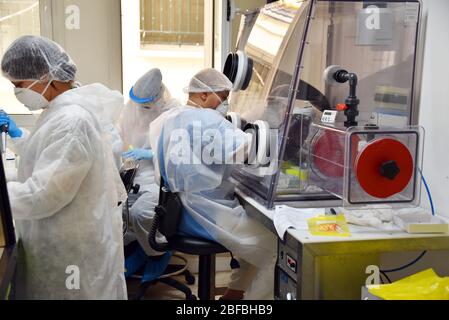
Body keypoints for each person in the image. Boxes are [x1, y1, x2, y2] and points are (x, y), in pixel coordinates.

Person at [0, 35, 127, 300]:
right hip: (69, 241)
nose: (17, 92)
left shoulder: (72, 121)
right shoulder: (62, 111)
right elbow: (46, 158)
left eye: (19, 84)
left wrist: (2, 194)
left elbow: (43, 195)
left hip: (71, 254)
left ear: (47, 76)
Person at [149, 68, 277, 300]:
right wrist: (276, 135)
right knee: (275, 250)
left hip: (177, 212)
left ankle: (233, 295)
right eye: (223, 97)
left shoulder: (171, 119)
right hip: (205, 213)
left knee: (255, 244)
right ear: (204, 95)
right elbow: (248, 148)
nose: (225, 105)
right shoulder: (207, 120)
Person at [119, 68, 180, 278]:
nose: (141, 109)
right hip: (137, 172)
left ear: (157, 97)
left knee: (141, 213)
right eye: (138, 103)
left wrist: (150, 154)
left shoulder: (173, 112)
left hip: (161, 177)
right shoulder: (133, 107)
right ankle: (141, 249)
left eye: (146, 104)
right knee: (121, 210)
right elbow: (120, 132)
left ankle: (157, 253)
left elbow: (177, 153)